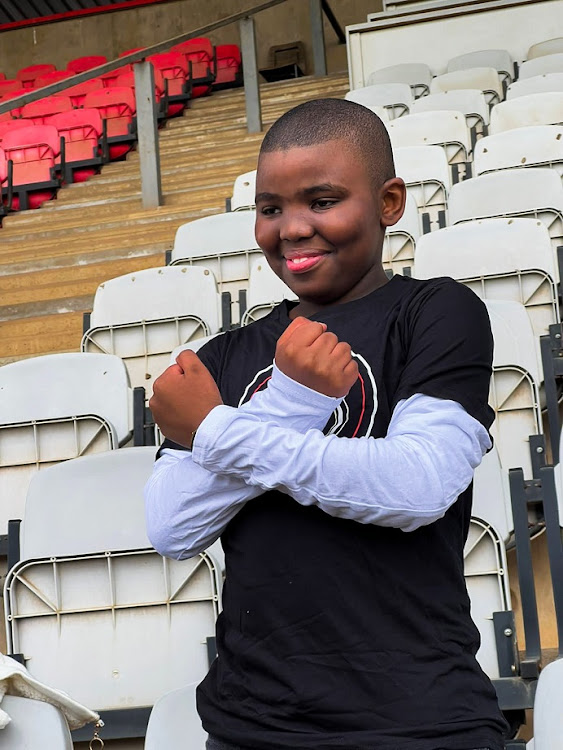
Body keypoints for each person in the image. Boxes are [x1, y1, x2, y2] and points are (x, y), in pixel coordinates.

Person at [145, 98, 508, 750]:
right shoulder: (222, 357)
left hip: (420, 719)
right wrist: (289, 400)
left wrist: (217, 432)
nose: (291, 228)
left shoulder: (437, 312)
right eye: (270, 208)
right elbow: (173, 526)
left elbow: (416, 488)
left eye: (321, 200)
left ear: (388, 202)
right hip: (251, 725)